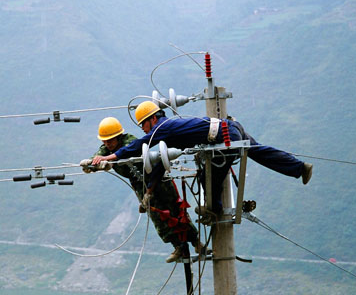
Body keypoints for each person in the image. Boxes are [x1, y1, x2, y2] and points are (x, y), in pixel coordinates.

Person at [91, 101, 313, 217]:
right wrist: (149, 192)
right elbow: (159, 164)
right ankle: (299, 167)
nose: (143, 129)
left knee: (208, 176)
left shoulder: (162, 128)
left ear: (151, 120)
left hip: (223, 136)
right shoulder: (170, 130)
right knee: (259, 152)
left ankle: (213, 209)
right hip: (231, 127)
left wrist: (110, 156)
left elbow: (139, 145)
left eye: (143, 124)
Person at [80, 117, 206, 263]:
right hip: (140, 186)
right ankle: (179, 247)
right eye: (105, 141)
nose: (107, 144)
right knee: (158, 217)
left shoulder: (130, 141)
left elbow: (126, 152)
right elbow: (98, 156)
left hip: (158, 180)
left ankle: (196, 242)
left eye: (110, 140)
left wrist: (110, 160)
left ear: (118, 136)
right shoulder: (106, 148)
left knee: (176, 211)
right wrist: (91, 163)